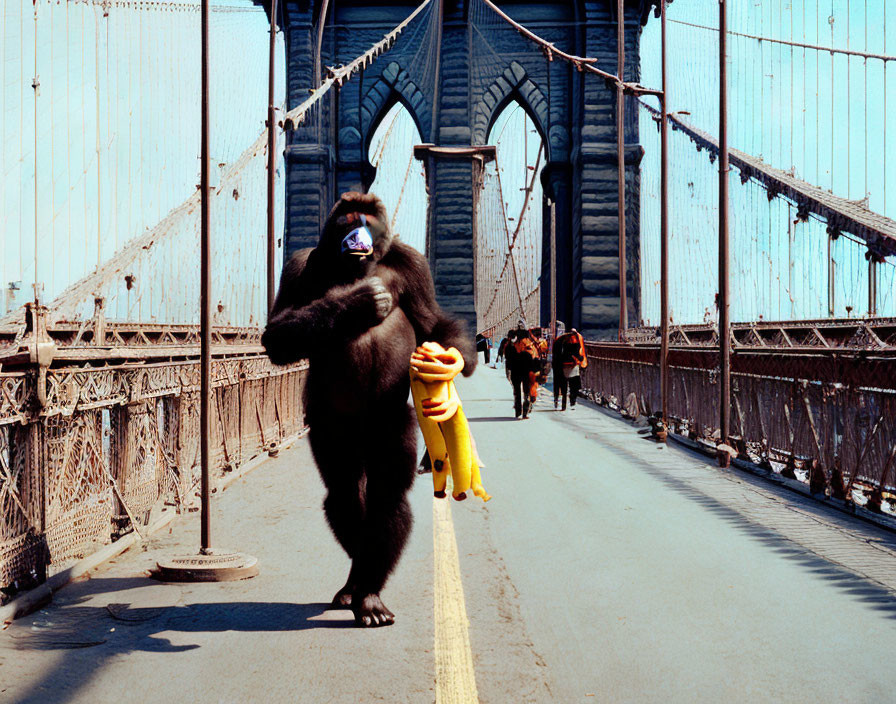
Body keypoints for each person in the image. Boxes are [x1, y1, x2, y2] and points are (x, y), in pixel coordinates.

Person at [508, 325, 540, 419]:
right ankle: (525, 412)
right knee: (526, 392)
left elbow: (508, 360)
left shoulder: (512, 346)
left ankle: (518, 411)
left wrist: (509, 369)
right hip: (526, 372)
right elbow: (535, 360)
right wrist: (536, 371)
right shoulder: (529, 346)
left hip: (515, 372)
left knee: (517, 392)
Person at [552, 327, 588, 411]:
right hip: (572, 364)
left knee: (561, 384)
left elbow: (555, 354)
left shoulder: (559, 340)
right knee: (574, 384)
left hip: (559, 365)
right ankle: (572, 401)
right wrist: (581, 359)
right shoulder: (575, 340)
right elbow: (578, 352)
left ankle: (559, 400)